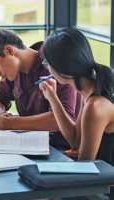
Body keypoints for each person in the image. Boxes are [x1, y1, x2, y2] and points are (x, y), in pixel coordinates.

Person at [0, 25, 79, 150]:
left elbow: (59, 120)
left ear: (9, 51)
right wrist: (0, 114)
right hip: (30, 147)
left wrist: (7, 123)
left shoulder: (53, 63)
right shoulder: (15, 73)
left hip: (62, 152)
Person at [39, 27, 114, 163]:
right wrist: (53, 98)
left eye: (47, 63)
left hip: (104, 183)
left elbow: (85, 167)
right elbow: (75, 141)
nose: (47, 68)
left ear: (61, 67)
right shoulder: (88, 92)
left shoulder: (95, 106)